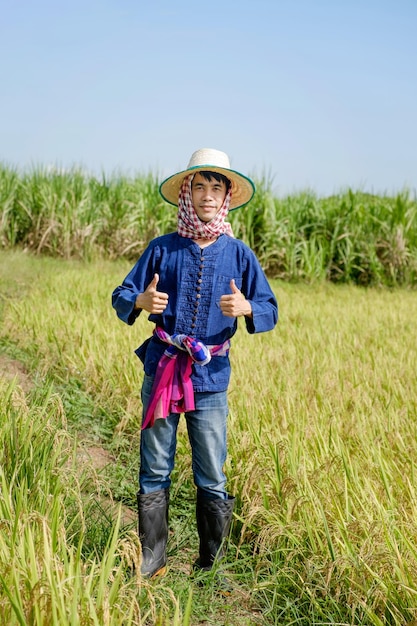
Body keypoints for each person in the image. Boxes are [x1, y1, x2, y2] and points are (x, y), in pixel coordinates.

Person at [112, 148, 278, 580]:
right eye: (199, 186)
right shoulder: (162, 249)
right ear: (187, 193)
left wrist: (246, 307)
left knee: (211, 470)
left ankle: (210, 566)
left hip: (211, 377)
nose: (207, 195)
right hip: (164, 370)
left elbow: (270, 308)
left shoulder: (239, 254)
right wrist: (140, 301)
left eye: (215, 187)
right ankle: (152, 562)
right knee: (155, 466)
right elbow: (121, 294)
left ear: (226, 197)